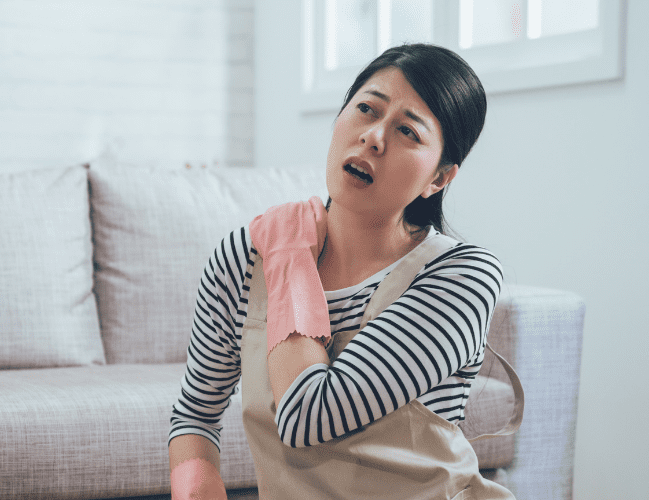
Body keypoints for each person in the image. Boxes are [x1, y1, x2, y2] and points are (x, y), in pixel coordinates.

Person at [168, 43, 517, 499]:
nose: (374, 136)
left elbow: (308, 416)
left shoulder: (462, 276)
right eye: (366, 108)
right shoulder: (244, 257)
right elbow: (195, 412)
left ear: (439, 177)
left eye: (408, 132)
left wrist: (290, 256)